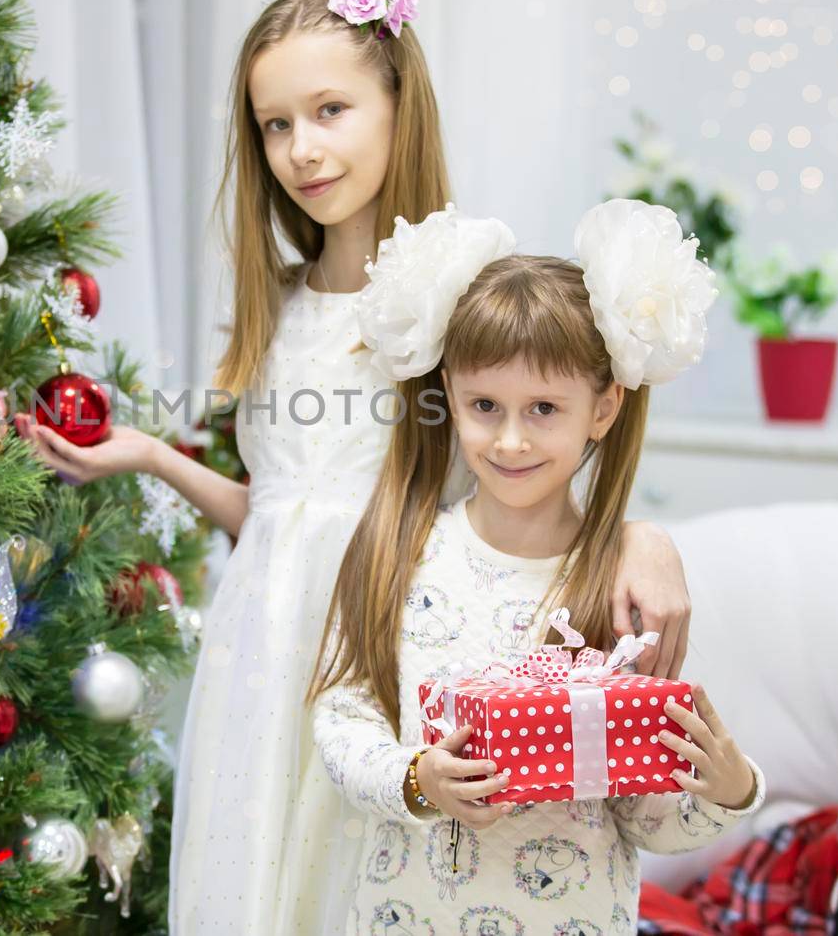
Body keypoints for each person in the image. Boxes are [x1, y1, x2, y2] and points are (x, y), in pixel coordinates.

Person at [16, 0, 695, 933]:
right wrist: (159, 458)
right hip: (261, 652)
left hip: (388, 649)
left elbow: (541, 434)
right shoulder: (278, 302)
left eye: (330, 110)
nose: (301, 148)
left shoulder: (462, 292)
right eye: (275, 124)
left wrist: (642, 536)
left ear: (395, 104)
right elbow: (283, 517)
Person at [309, 200, 764, 933]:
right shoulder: (399, 551)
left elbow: (642, 812)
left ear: (604, 409)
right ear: (449, 397)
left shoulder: (620, 588)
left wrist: (729, 788)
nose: (511, 439)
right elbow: (341, 718)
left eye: (545, 407)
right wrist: (416, 779)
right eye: (485, 404)